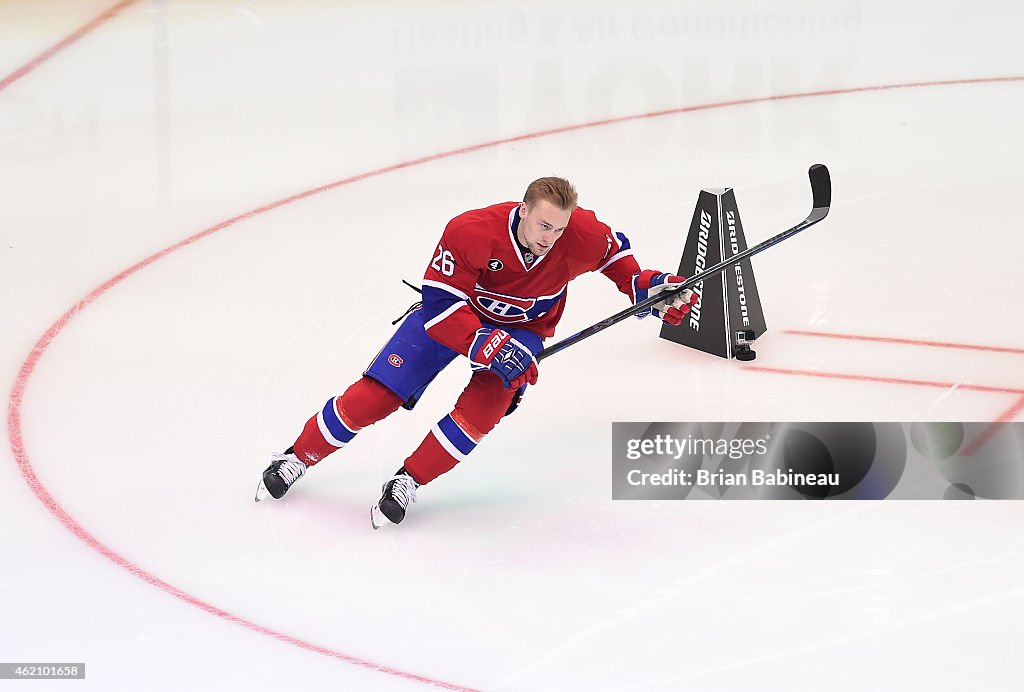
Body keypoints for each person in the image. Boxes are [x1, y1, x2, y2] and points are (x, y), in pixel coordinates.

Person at [255, 176, 697, 528]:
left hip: (522, 331)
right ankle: (296, 457)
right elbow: (440, 307)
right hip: (453, 318)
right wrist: (482, 341)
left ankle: (408, 481)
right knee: (375, 397)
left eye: (559, 229)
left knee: (480, 412)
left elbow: (615, 259)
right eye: (544, 226)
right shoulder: (471, 230)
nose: (551, 238)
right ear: (523, 211)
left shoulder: (579, 233)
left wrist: (649, 288)